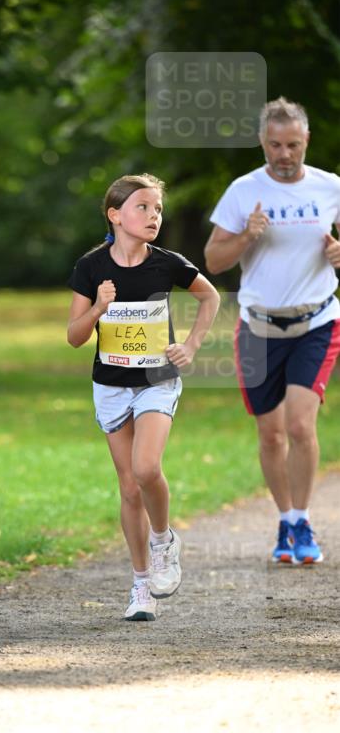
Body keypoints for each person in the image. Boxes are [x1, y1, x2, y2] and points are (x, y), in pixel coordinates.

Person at [67, 174, 220, 621]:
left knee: (146, 467)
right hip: (111, 385)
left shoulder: (168, 263)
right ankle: (140, 586)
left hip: (157, 378)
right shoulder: (91, 268)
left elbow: (210, 298)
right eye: (143, 207)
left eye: (157, 209)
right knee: (129, 487)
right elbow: (75, 337)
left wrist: (190, 345)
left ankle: (163, 541)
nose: (153, 216)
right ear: (115, 215)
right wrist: (98, 308)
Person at [205, 97, 340, 565]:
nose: (285, 155)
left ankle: (302, 519)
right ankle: (284, 520)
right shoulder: (244, 191)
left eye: (294, 145)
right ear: (263, 142)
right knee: (271, 434)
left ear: (306, 142)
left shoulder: (330, 187)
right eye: (276, 145)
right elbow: (214, 259)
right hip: (258, 327)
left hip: (316, 322)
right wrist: (247, 236)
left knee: (301, 424)